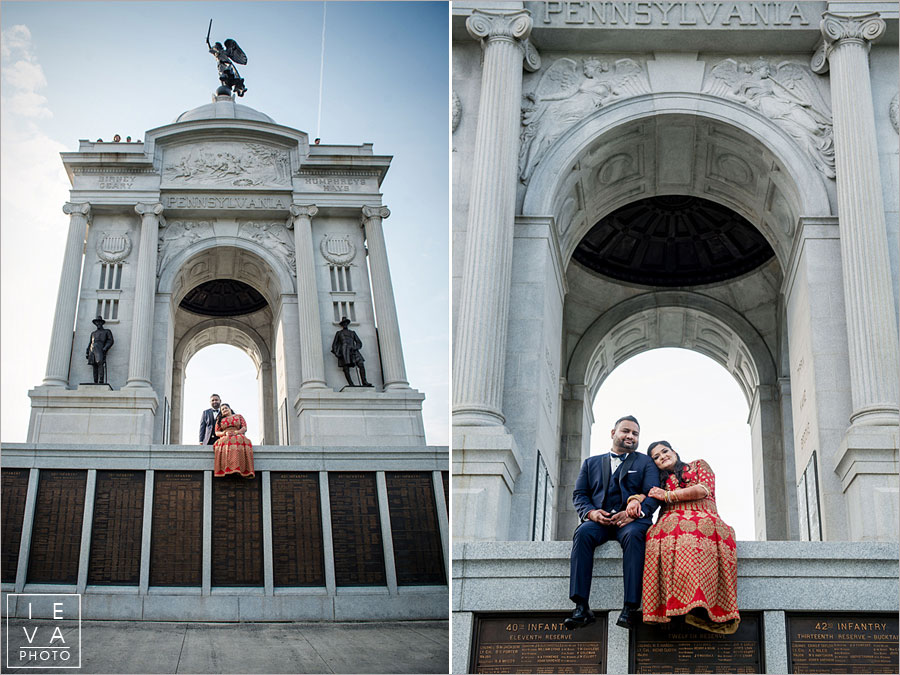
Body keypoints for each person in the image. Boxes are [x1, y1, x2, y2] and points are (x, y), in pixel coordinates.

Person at [566, 415, 662, 631]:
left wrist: (636, 514)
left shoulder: (644, 462)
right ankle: (581, 606)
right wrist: (591, 513)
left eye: (635, 433)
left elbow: (653, 494)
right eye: (626, 431)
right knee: (582, 533)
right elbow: (580, 494)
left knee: (635, 536)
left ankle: (630, 608)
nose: (630, 436)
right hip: (600, 521)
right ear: (613, 433)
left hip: (632, 522)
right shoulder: (591, 463)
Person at [639, 441, 740, 634]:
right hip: (669, 520)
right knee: (655, 533)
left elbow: (703, 489)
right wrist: (634, 500)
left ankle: (700, 606)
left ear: (674, 451)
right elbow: (645, 494)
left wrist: (668, 496)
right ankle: (671, 607)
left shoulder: (698, 465)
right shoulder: (658, 480)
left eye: (665, 451)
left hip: (703, 514)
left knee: (695, 528)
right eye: (656, 457)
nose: (662, 457)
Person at [212, 403, 254, 478]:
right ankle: (226, 468)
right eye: (222, 409)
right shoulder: (219, 420)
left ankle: (241, 468)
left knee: (240, 439)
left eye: (226, 408)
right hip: (225, 435)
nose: (224, 410)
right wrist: (224, 433)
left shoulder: (239, 416)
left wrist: (236, 432)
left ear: (230, 408)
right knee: (224, 442)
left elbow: (244, 427)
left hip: (238, 433)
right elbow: (217, 432)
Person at [331, 317, 372, 387]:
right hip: (344, 351)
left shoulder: (352, 333)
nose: (345, 324)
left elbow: (359, 342)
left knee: (361, 364)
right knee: (346, 367)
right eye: (343, 323)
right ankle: (351, 383)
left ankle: (364, 381)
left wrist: (355, 348)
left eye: (346, 323)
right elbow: (334, 344)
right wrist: (337, 353)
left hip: (353, 350)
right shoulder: (339, 333)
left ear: (347, 324)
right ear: (342, 325)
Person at [85, 315, 114, 384]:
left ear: (102, 323)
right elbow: (90, 343)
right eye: (97, 323)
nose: (98, 324)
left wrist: (105, 348)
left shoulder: (106, 331)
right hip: (92, 349)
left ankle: (101, 380)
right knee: (94, 365)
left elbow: (110, 340)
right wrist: (87, 351)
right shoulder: (93, 333)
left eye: (99, 322)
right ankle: (95, 381)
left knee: (100, 363)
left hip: (100, 348)